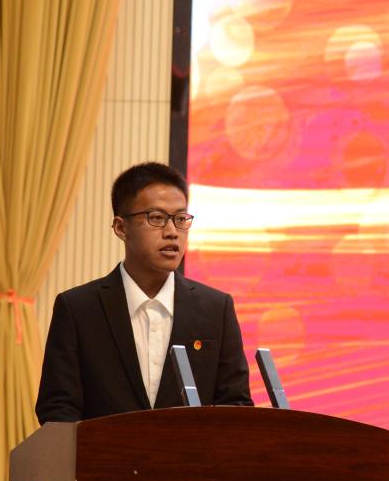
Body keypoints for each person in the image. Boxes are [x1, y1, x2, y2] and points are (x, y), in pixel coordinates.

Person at [36, 162, 253, 425]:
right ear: (121, 228)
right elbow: (58, 410)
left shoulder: (216, 309)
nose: (172, 232)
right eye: (157, 218)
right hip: (104, 452)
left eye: (180, 219)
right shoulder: (78, 309)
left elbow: (236, 405)